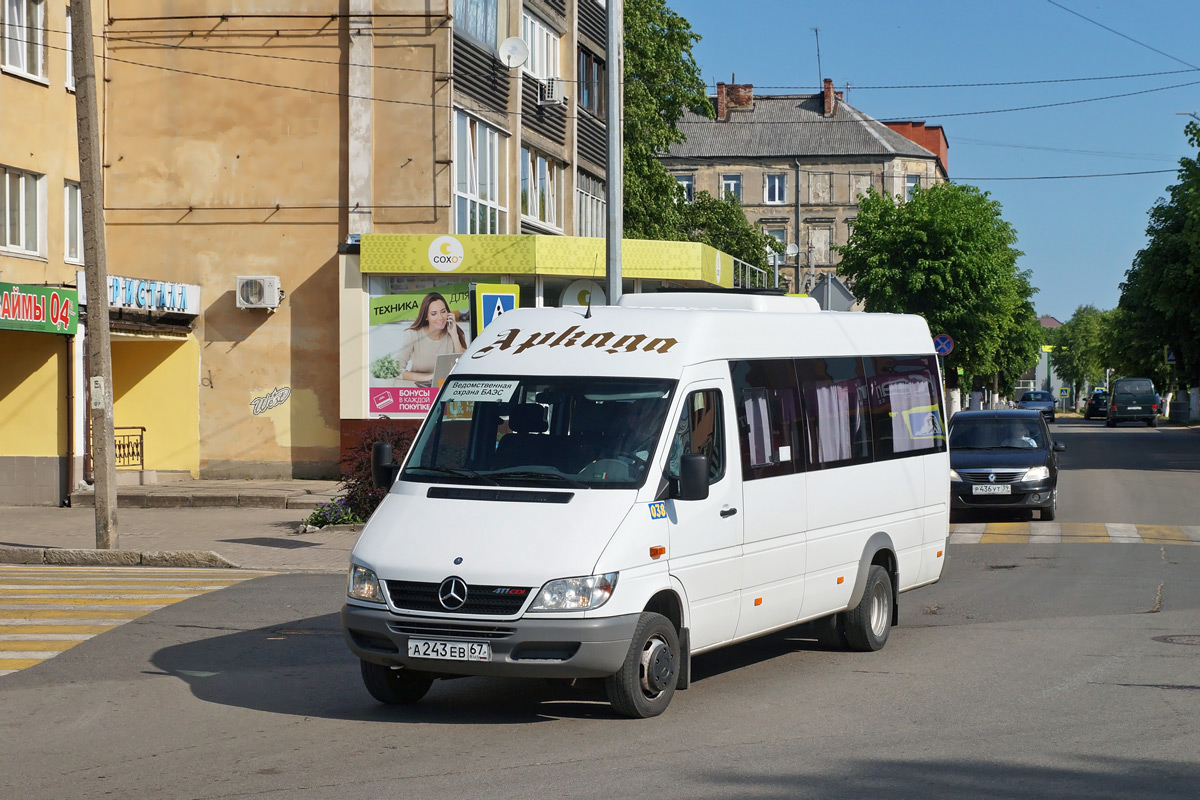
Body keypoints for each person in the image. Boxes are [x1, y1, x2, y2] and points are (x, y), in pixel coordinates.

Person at [394, 292, 466, 387]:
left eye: (443, 311)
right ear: (426, 317)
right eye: (433, 314)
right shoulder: (413, 335)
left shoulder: (455, 334)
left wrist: (454, 335)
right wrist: (428, 377)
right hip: (418, 391)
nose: (440, 317)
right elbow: (395, 370)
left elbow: (464, 366)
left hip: (443, 389)